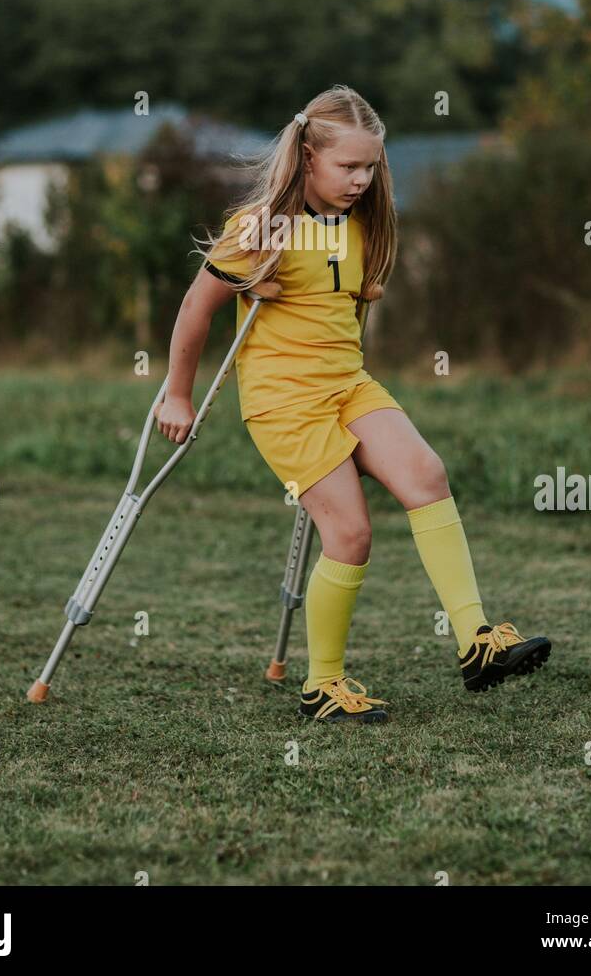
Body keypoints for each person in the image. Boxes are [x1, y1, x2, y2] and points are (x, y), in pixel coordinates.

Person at [153, 84, 551, 723]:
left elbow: (348, 303)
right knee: (351, 532)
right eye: (348, 167)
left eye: (371, 166)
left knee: (426, 474)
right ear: (308, 157)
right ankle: (323, 686)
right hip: (285, 402)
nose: (362, 179)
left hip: (349, 384)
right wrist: (177, 392)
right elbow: (195, 310)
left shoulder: (363, 224)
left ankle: (477, 642)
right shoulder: (259, 229)